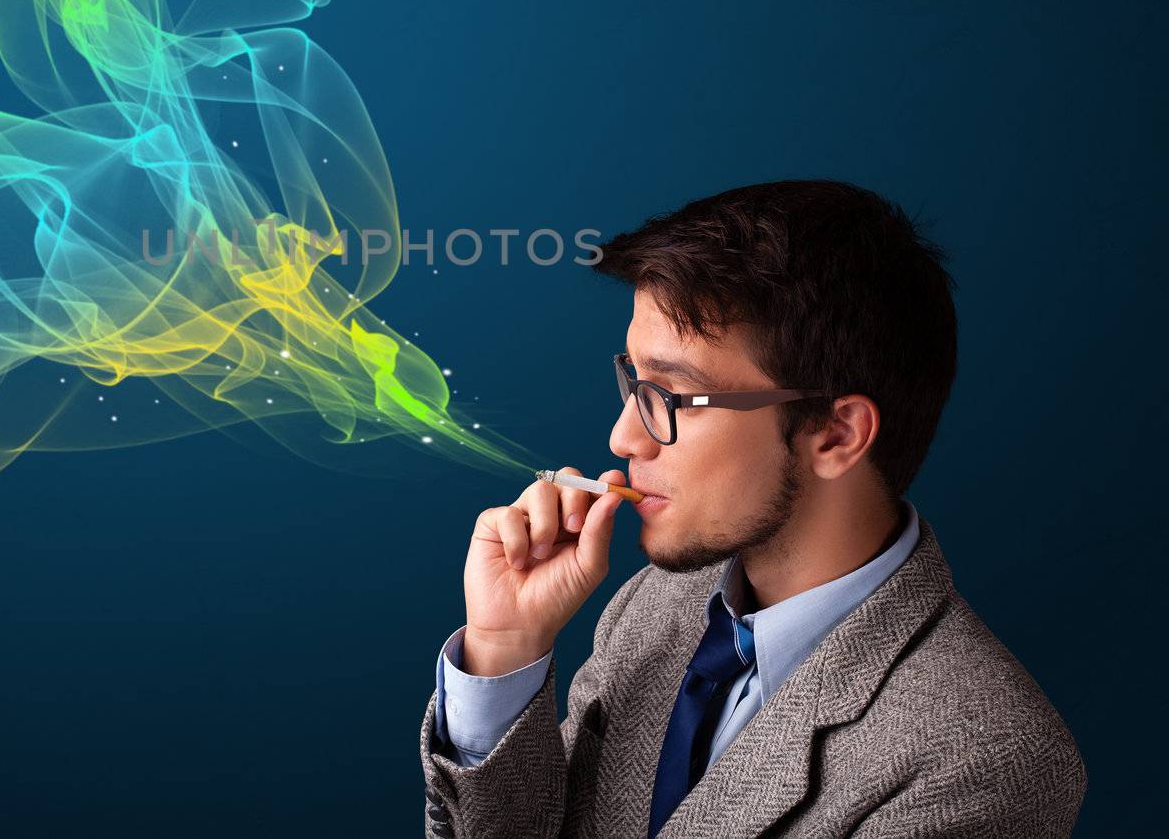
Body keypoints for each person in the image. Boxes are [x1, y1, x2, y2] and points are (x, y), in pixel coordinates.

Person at [418, 179, 1086, 838]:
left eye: (672, 396)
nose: (623, 439)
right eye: (633, 382)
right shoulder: (653, 607)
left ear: (836, 434)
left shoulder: (984, 758)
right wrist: (504, 652)